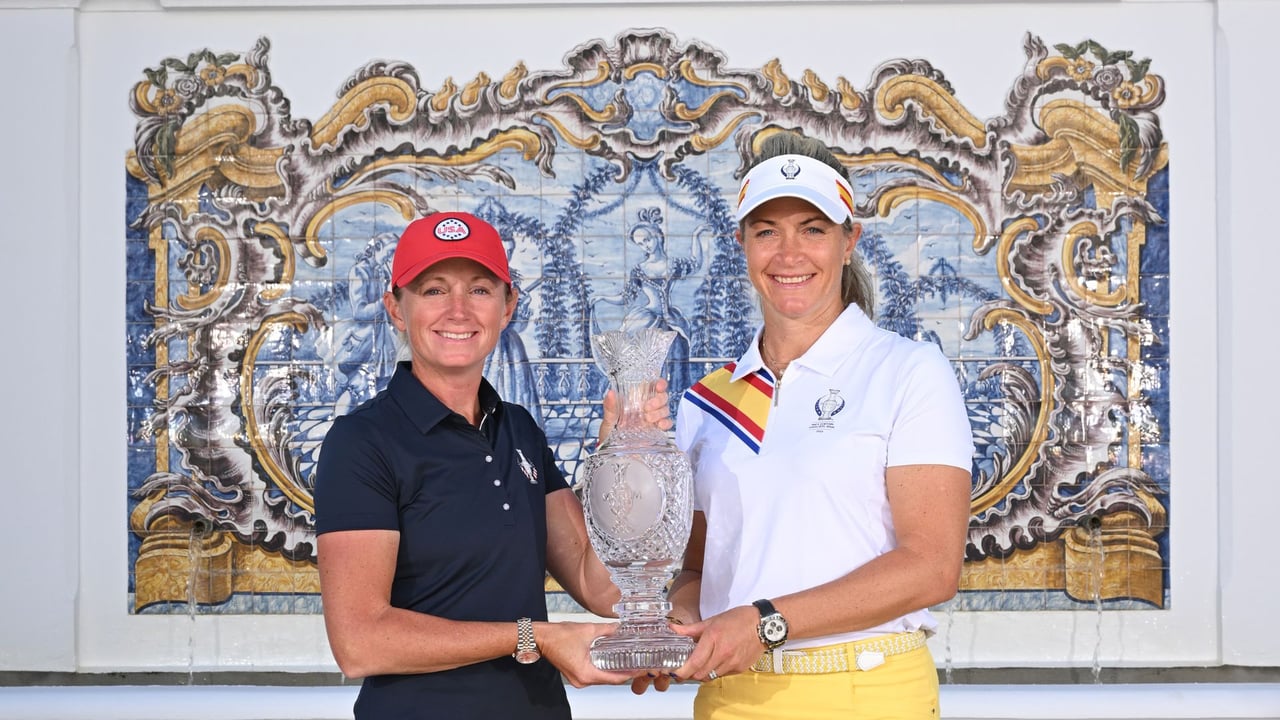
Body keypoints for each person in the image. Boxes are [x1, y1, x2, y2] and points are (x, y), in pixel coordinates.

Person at [635, 134, 975, 719]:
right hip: (732, 697)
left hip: (869, 691)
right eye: (767, 231)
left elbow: (932, 566)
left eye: (813, 229)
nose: (789, 254)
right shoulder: (706, 402)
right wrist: (680, 625)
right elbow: (697, 569)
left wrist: (764, 621)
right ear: (741, 245)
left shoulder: (907, 371)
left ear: (850, 242)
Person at [314, 211, 667, 719]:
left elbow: (598, 583)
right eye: (433, 290)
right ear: (395, 307)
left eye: (479, 290)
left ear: (507, 307)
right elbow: (361, 642)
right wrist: (535, 638)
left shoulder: (518, 428)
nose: (458, 310)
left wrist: (619, 454)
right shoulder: (362, 442)